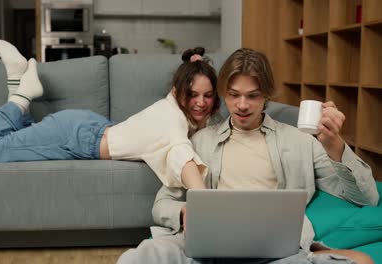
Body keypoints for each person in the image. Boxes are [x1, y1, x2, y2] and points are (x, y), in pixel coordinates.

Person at [117, 48, 379, 264]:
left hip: (277, 254)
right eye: (233, 95)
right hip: (206, 249)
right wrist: (184, 211)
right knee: (138, 258)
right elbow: (161, 204)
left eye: (252, 96)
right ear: (223, 94)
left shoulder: (301, 142)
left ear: (266, 96)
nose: (242, 105)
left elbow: (366, 197)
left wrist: (335, 145)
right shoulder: (200, 141)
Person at [0, 40, 221, 189]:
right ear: (177, 92)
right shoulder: (173, 122)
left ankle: (16, 79)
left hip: (89, 129)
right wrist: (203, 201)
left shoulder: (175, 107)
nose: (200, 103)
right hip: (74, 137)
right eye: (192, 95)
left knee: (17, 139)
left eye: (207, 95)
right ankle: (21, 93)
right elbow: (182, 155)